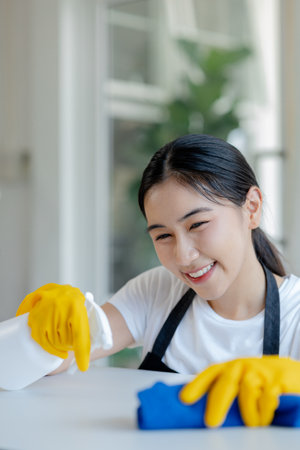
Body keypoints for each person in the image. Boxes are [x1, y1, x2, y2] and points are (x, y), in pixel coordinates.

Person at [16, 134, 300, 427]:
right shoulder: (157, 291)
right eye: (163, 235)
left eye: (198, 224)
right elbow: (57, 359)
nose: (184, 255)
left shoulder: (295, 315)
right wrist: (43, 335)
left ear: (251, 208)